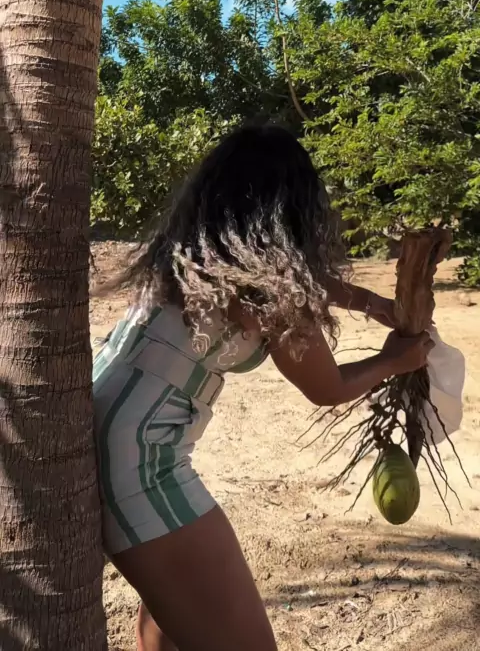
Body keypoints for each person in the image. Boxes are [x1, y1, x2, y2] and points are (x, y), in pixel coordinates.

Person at [92, 123, 433, 651]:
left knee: (170, 626)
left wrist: (367, 302)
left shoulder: (194, 255)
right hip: (141, 463)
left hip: (105, 429)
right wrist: (397, 359)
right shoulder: (268, 294)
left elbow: (297, 282)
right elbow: (328, 386)